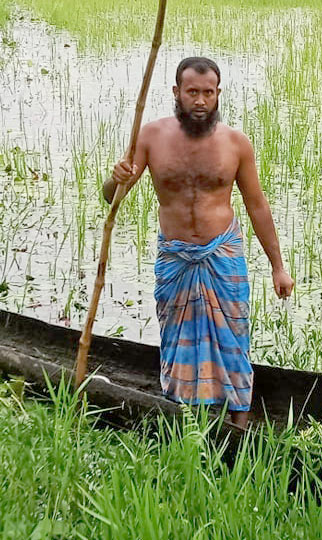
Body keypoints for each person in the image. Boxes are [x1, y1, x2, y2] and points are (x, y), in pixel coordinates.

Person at [104, 56, 294, 428]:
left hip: (222, 253)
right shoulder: (151, 136)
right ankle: (182, 411)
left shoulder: (236, 144)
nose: (201, 101)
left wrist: (278, 266)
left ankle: (238, 418)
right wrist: (117, 177)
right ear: (177, 92)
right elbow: (111, 197)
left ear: (218, 94)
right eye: (193, 92)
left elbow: (257, 205)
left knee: (233, 335)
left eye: (209, 93)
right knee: (176, 335)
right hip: (175, 257)